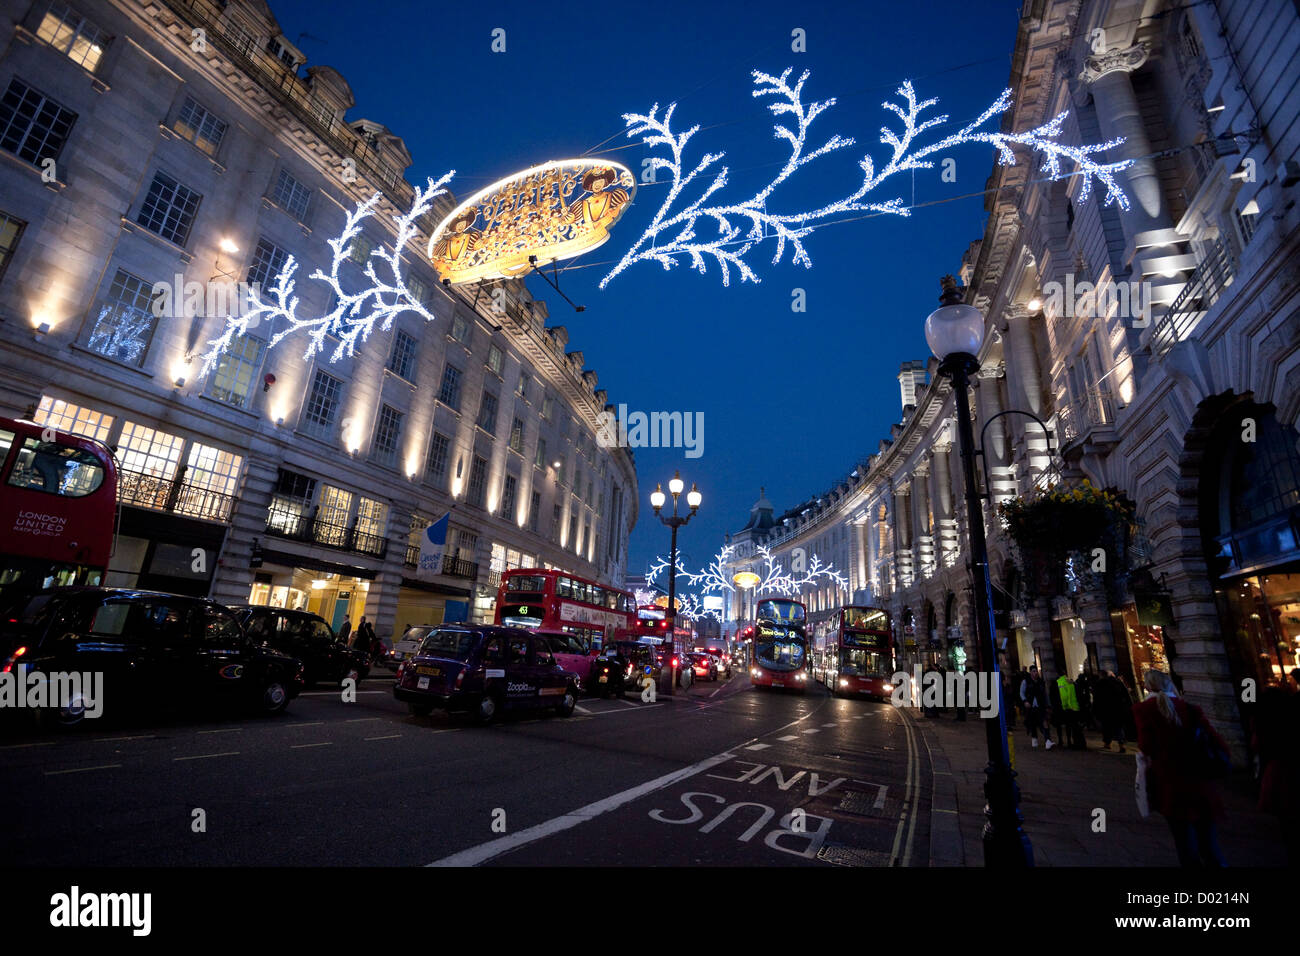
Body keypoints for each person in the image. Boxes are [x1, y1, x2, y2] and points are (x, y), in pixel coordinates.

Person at [1133, 669, 1230, 867]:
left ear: (1147, 686)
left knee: (1184, 842)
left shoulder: (1145, 710)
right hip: (1200, 782)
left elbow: (1146, 746)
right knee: (1209, 844)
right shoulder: (1191, 708)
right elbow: (1219, 744)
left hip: (1171, 783)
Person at [1252, 682, 1300, 863]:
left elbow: (1257, 745)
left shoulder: (1264, 724)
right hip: (1285, 773)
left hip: (1279, 776)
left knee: (1289, 828)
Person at [1096, 670, 1132, 752]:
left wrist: (1096, 710)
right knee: (1119, 727)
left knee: (1107, 727)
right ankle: (1121, 744)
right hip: (1118, 709)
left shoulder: (1100, 684)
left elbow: (1097, 699)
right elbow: (1126, 695)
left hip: (1106, 710)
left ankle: (1107, 743)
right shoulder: (1118, 683)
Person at [1021, 666, 1054, 749]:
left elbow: (1045, 694)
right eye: (1034, 671)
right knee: (1032, 723)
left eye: (1036, 671)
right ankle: (1034, 738)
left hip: (1040, 705)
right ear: (1030, 672)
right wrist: (1025, 701)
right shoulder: (1026, 682)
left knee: (1044, 721)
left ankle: (1047, 741)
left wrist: (1048, 705)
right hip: (1030, 706)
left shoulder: (1041, 682)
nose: (1035, 673)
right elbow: (1021, 692)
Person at [1056, 673, 1084, 749]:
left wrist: (1064, 706)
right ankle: (1078, 743)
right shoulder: (1070, 681)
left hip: (1068, 708)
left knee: (1069, 726)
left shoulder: (1060, 682)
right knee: (1075, 726)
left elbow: (1065, 696)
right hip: (1075, 707)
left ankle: (1071, 742)